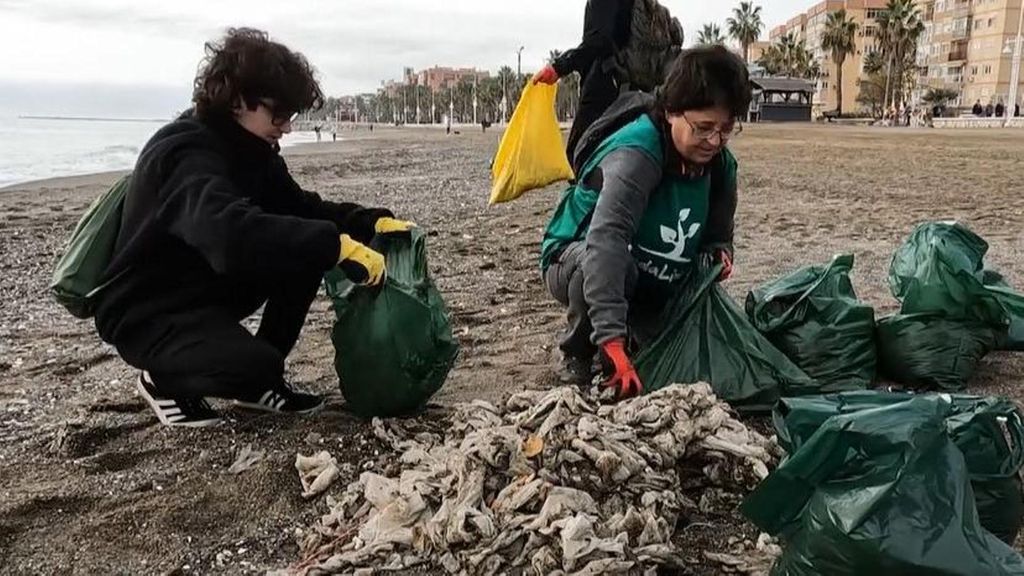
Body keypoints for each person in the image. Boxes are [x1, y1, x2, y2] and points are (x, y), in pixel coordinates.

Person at [93, 28, 414, 427]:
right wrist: (336, 247)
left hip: (200, 289)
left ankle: (255, 383)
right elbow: (228, 234)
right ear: (239, 99)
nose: (288, 127)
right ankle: (163, 380)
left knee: (304, 250)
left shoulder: (254, 150)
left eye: (291, 116)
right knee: (258, 354)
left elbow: (300, 209)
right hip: (146, 311)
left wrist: (367, 222)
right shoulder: (184, 151)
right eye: (278, 114)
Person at [540, 45, 749, 397]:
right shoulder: (638, 154)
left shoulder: (720, 165)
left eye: (726, 129)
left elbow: (718, 232)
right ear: (670, 112)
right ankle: (577, 352)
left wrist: (720, 250)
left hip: (650, 268)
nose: (714, 141)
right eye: (703, 128)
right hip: (575, 256)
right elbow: (606, 242)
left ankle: (632, 331)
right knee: (610, 267)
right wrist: (612, 343)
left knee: (694, 273)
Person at [532, 0, 684, 157]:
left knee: (579, 152)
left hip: (606, 80)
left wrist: (559, 67)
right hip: (629, 85)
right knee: (615, 149)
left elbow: (598, 42)